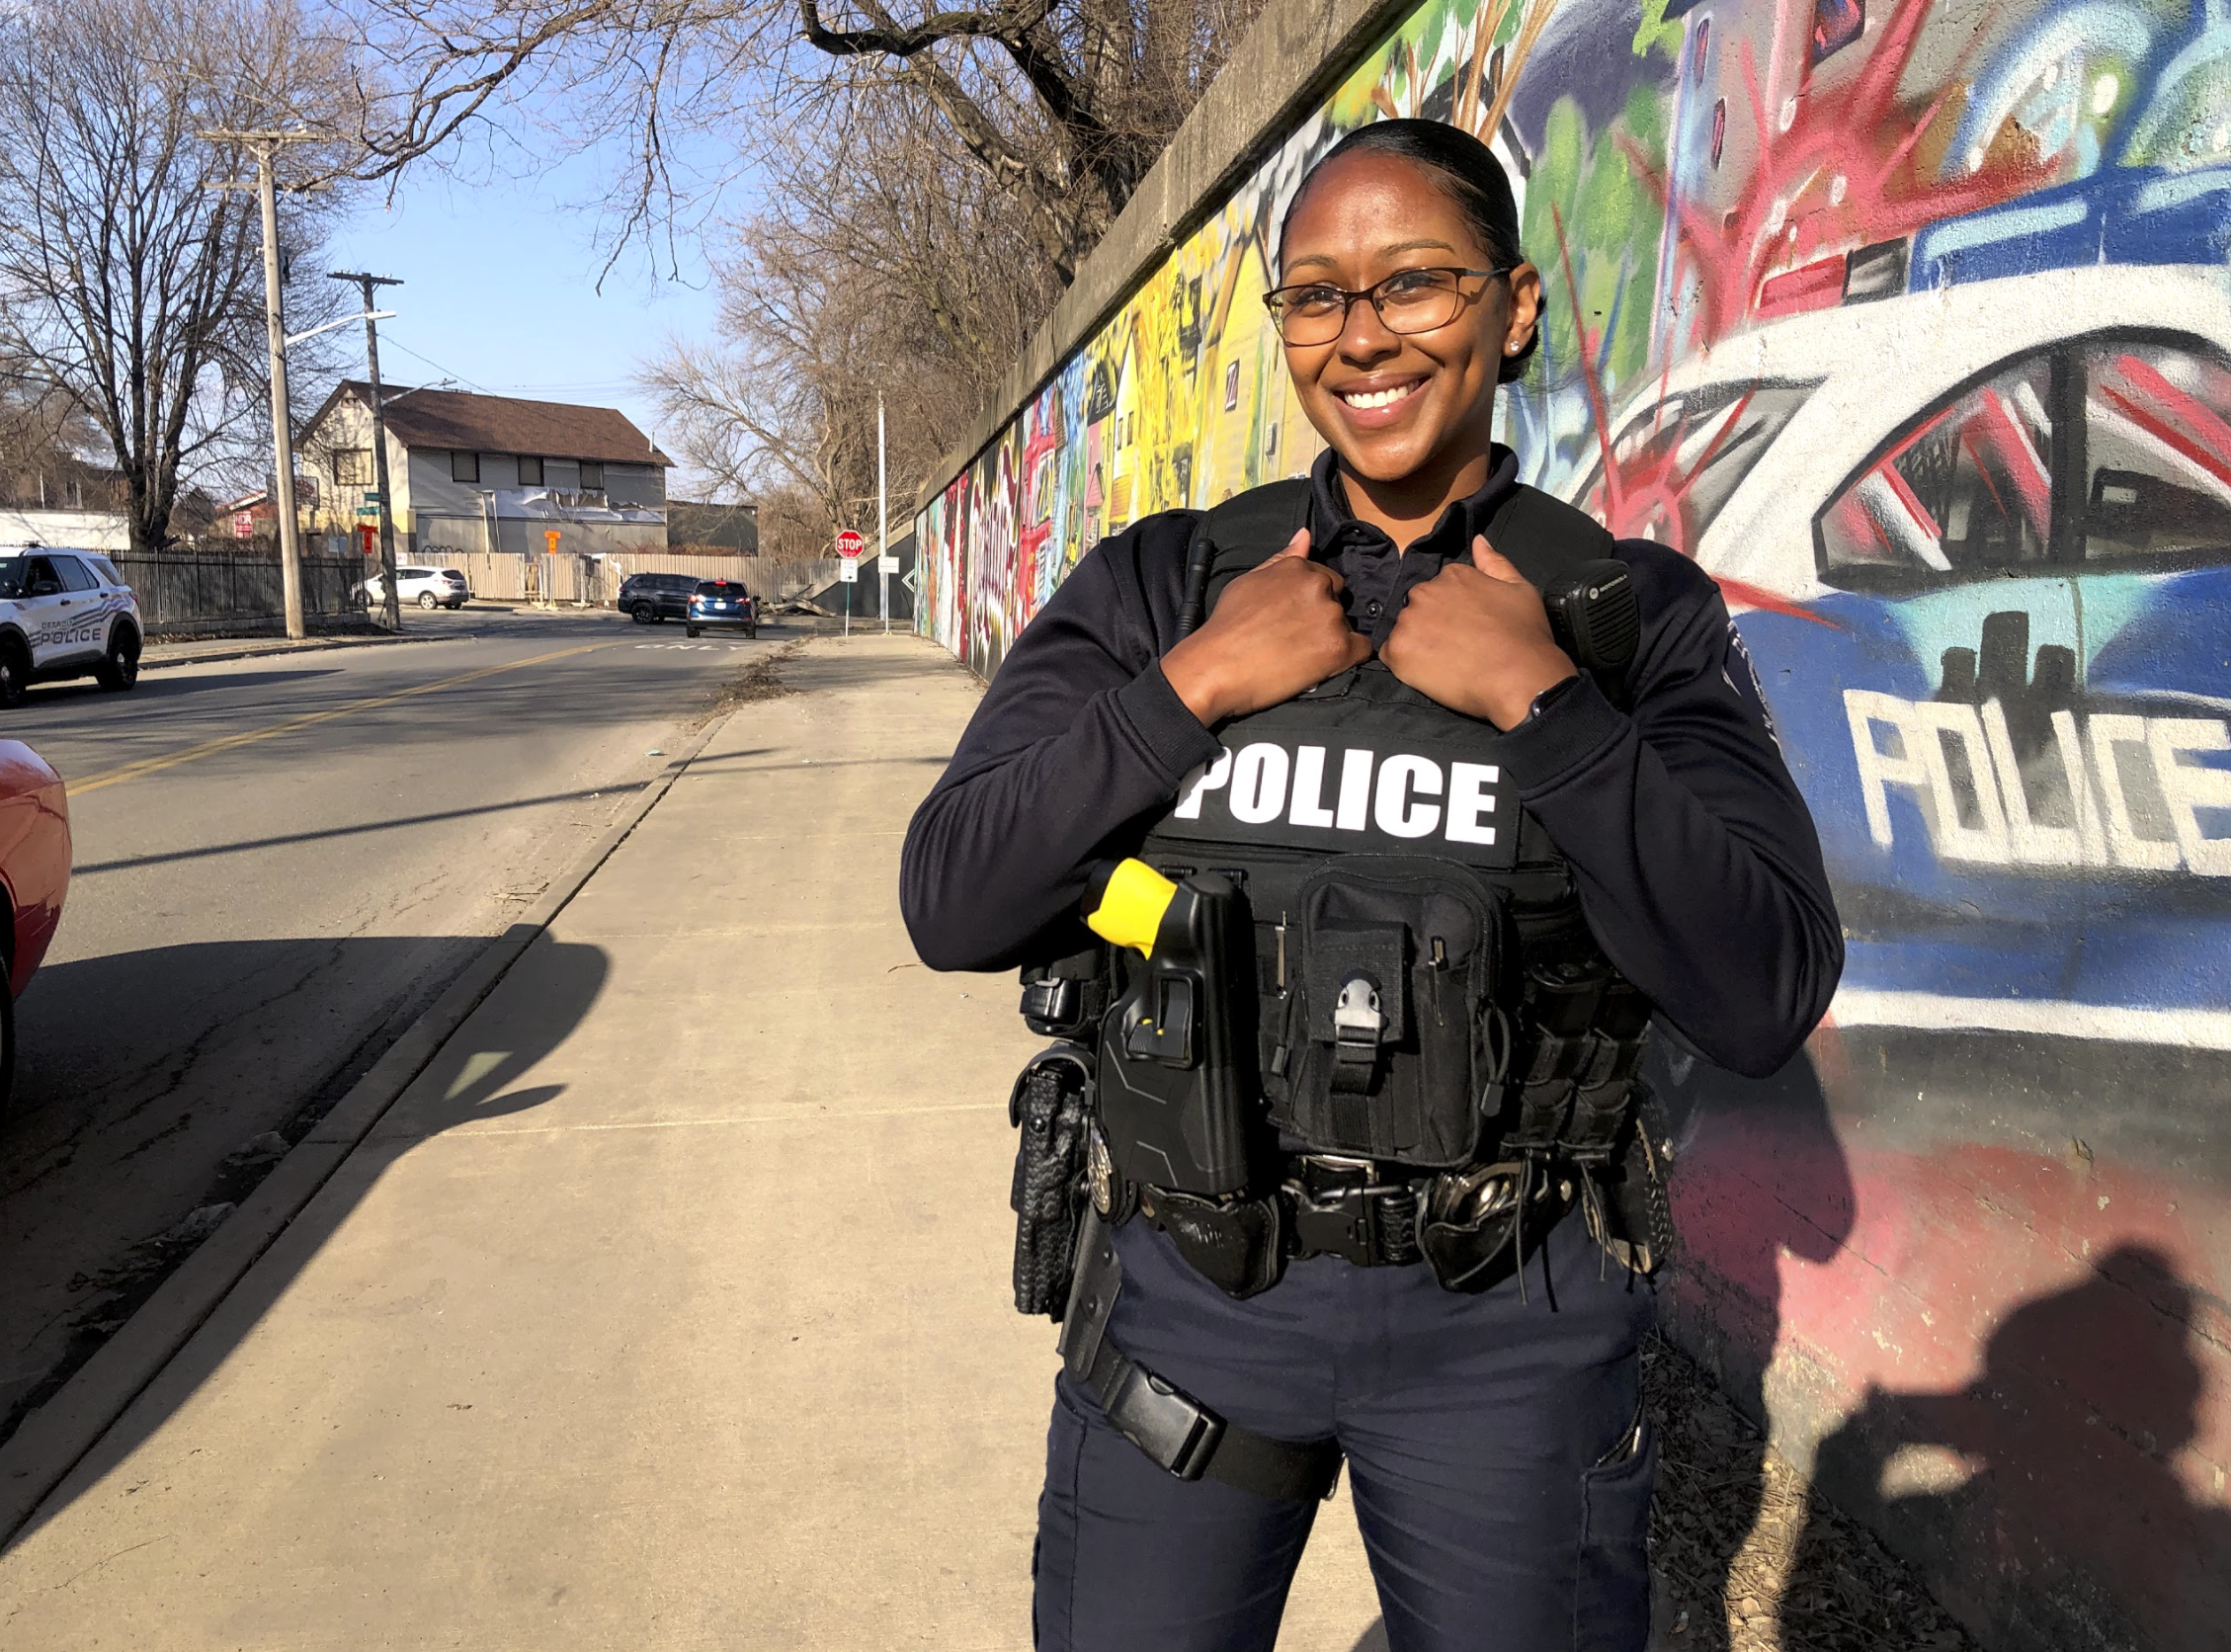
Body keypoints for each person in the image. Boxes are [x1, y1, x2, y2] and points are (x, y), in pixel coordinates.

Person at [900, 119, 1842, 1652]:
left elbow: (1763, 989)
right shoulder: (1161, 589)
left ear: (1512, 307)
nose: (1361, 336)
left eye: (1413, 282)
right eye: (1316, 296)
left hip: (1507, 1324)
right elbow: (953, 900)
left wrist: (1545, 705)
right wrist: (1190, 689)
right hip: (1189, 1297)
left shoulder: (1620, 616)